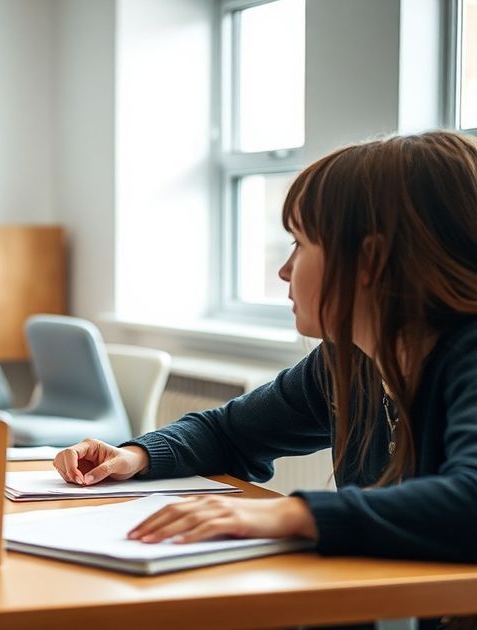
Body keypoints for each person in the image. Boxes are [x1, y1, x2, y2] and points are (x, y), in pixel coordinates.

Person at [54, 130, 477, 563]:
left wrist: (292, 512)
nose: (283, 270)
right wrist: (136, 456)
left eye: (301, 243)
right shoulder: (347, 361)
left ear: (369, 261)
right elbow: (230, 433)